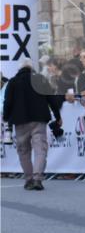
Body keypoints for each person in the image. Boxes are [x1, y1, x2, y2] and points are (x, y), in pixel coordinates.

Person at [3, 61, 61, 190]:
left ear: (19, 69)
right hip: (39, 120)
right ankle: (37, 179)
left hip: (20, 122)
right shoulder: (41, 79)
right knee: (40, 150)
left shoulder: (13, 82)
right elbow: (51, 99)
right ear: (32, 68)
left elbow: (8, 102)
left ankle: (29, 180)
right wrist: (58, 117)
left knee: (23, 151)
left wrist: (6, 118)